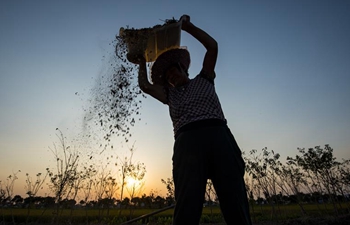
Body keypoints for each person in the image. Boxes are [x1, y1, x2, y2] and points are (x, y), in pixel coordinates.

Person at [135, 15, 252, 225]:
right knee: (187, 203)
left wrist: (188, 27)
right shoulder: (170, 96)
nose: (172, 77)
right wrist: (142, 61)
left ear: (183, 69)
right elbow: (145, 86)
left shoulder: (204, 78)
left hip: (219, 137)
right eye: (168, 78)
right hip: (187, 145)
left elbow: (212, 47)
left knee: (234, 197)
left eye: (174, 72)